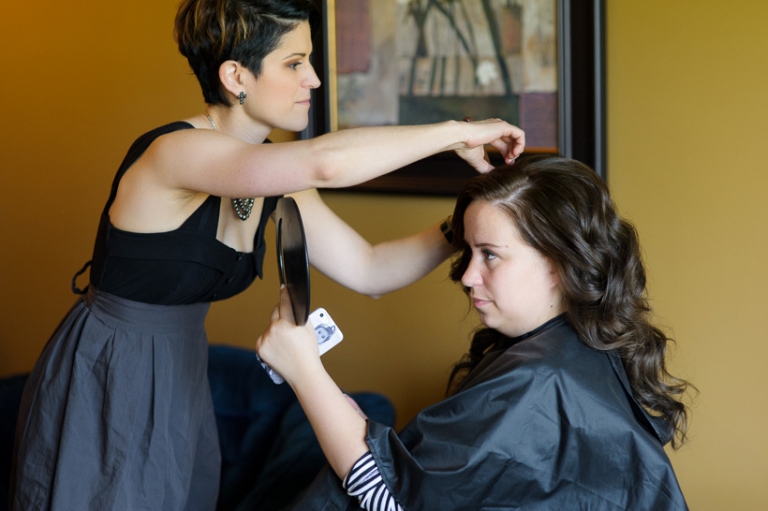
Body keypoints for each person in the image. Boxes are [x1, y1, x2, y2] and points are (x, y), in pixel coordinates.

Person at [9, 0, 525, 509]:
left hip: (183, 370)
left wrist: (465, 222)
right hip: (111, 368)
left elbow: (371, 269)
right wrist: (458, 132)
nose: (315, 80)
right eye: (295, 63)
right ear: (237, 75)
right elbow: (325, 165)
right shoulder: (174, 154)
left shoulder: (276, 177)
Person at [255, 156, 693, 510]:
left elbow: (389, 498)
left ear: (559, 264)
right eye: (469, 251)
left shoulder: (540, 382)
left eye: (490, 255)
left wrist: (306, 372)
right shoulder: (575, 350)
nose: (466, 276)